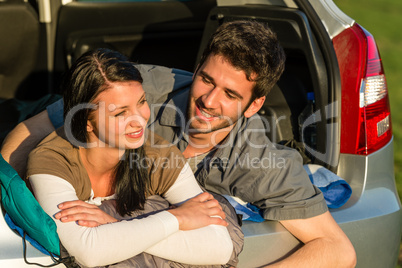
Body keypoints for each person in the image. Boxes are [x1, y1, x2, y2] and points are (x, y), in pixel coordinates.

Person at [1, 20, 356, 267]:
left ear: (255, 105)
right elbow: (29, 133)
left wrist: (117, 226)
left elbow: (338, 250)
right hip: (36, 115)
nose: (209, 100)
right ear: (197, 66)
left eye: (230, 94)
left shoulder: (261, 162)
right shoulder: (147, 88)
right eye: (206, 79)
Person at [24, 48, 239, 267]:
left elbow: (220, 248)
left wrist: (114, 224)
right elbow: (88, 252)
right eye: (120, 113)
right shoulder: (52, 159)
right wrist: (179, 218)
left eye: (142, 102)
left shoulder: (158, 154)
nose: (139, 120)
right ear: (86, 121)